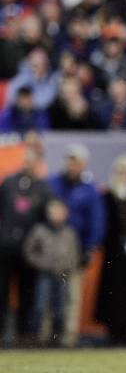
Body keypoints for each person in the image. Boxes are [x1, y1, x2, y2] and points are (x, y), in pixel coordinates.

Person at [48, 143, 106, 346]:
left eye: (76, 161)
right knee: (47, 293)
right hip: (51, 247)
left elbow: (96, 221)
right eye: (70, 160)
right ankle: (45, 335)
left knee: (72, 295)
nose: (72, 165)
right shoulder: (53, 183)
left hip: (75, 248)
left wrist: (90, 247)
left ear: (83, 164)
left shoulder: (89, 189)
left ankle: (68, 336)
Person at [0, 144, 51, 345]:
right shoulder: (9, 182)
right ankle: (3, 332)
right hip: (5, 246)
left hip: (30, 249)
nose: (28, 162)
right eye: (26, 157)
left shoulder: (43, 187)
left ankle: (23, 334)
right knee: (1, 291)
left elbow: (49, 216)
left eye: (32, 158)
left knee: (27, 293)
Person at [96, 153, 126, 346]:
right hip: (113, 253)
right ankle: (112, 332)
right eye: (121, 171)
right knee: (112, 292)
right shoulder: (108, 195)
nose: (124, 175)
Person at [24, 199, 80, 345]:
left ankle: (58, 339)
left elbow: (74, 254)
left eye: (59, 212)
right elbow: (29, 251)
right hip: (45, 274)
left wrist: (68, 267)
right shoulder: (39, 230)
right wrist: (42, 264)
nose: (56, 215)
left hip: (63, 275)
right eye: (53, 212)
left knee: (61, 308)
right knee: (41, 306)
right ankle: (37, 337)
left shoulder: (69, 232)